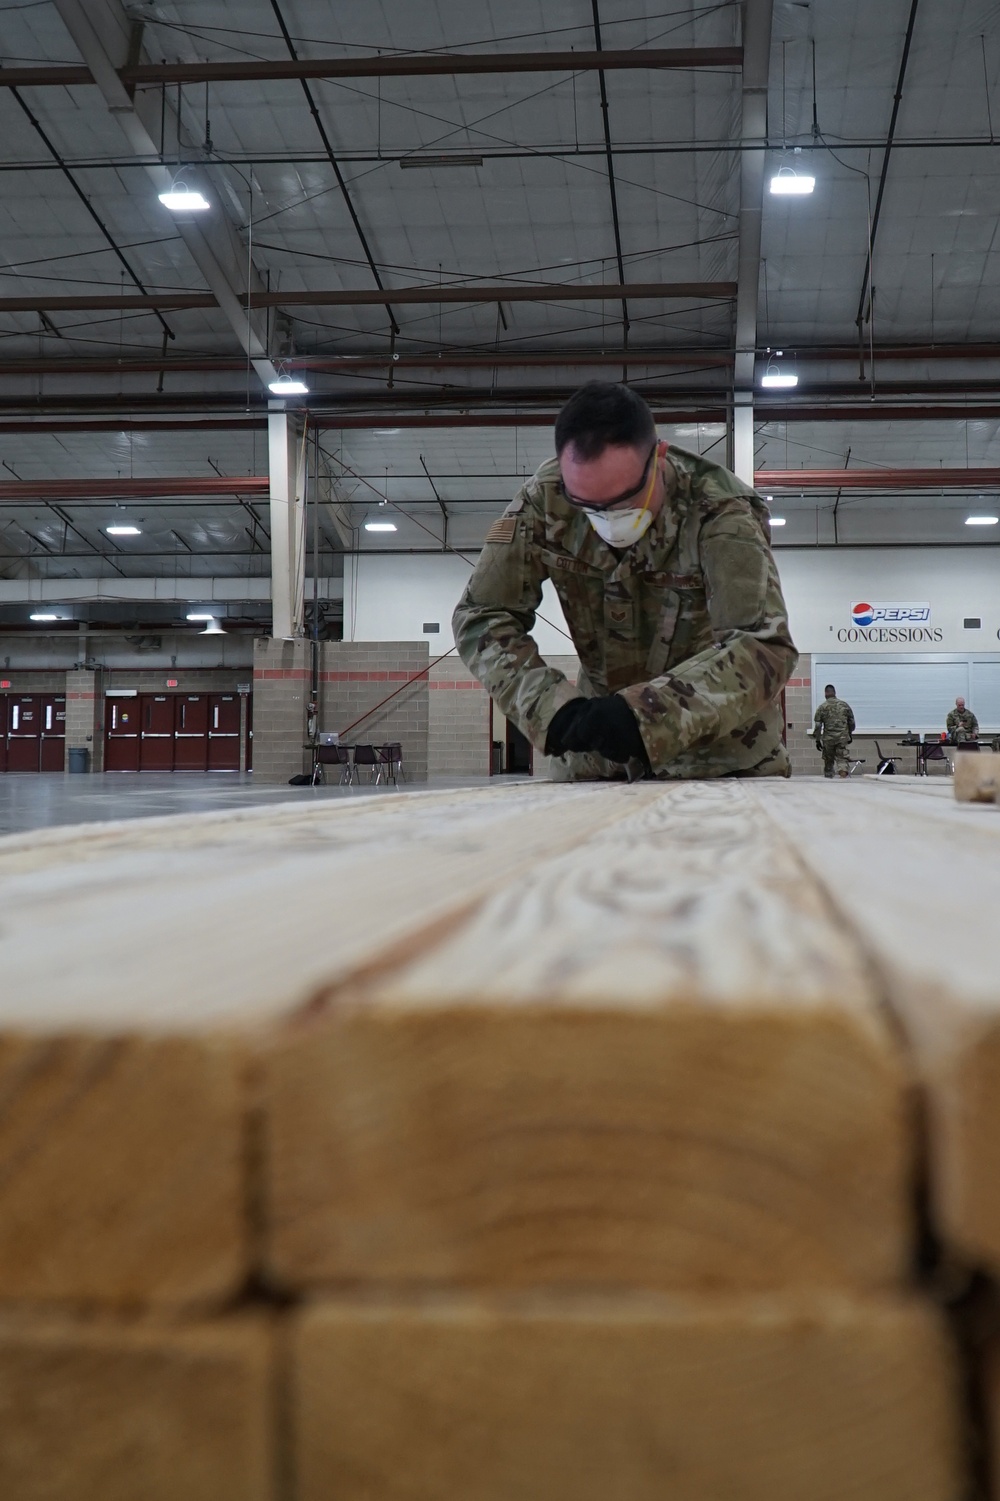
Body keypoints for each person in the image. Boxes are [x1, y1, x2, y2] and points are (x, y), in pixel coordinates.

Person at [452, 382, 798, 780]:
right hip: (597, 754)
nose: (606, 518)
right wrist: (552, 709)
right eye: (586, 506)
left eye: (625, 501)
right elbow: (482, 615)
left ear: (658, 458)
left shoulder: (720, 510)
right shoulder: (544, 501)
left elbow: (763, 645)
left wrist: (647, 715)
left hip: (719, 757)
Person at [812, 684, 856, 779]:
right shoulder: (844, 705)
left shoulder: (822, 707)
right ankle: (843, 776)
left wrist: (817, 739)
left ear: (825, 693)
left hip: (828, 738)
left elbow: (818, 725)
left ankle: (829, 779)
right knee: (842, 758)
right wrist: (849, 734)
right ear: (835, 693)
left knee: (828, 760)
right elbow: (852, 722)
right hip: (842, 737)